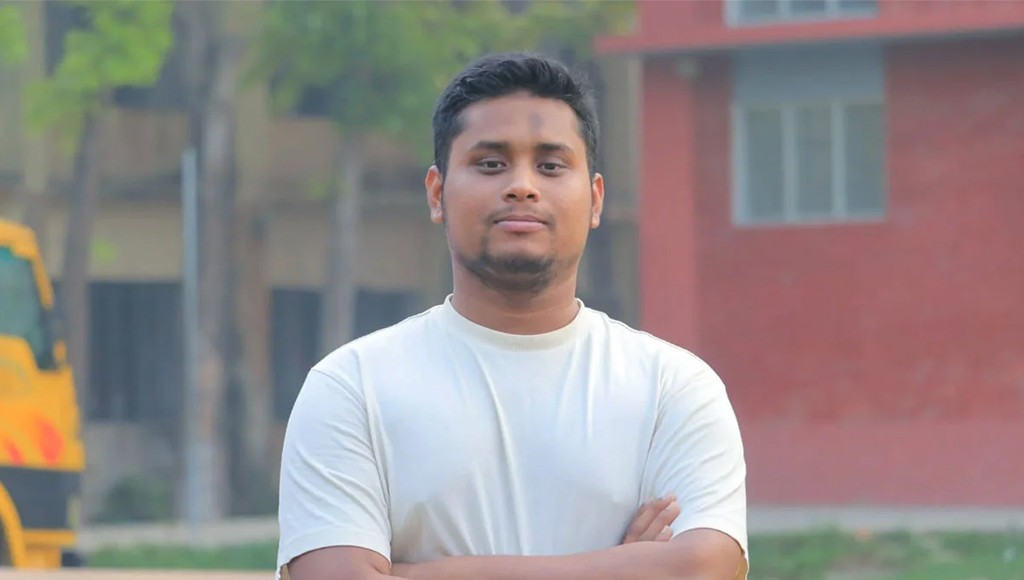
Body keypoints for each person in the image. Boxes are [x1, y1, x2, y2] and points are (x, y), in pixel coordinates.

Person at [277, 52, 748, 580]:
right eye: (490, 164)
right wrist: (626, 568)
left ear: (595, 199)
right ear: (437, 193)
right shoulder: (352, 387)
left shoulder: (672, 388)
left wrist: (414, 573)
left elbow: (704, 567)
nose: (522, 186)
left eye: (550, 166)